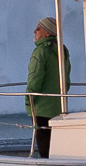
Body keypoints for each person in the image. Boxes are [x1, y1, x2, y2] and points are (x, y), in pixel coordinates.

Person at [26, 17, 63, 157]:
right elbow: (66, 79)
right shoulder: (61, 50)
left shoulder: (40, 51)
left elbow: (35, 79)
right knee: (56, 145)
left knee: (44, 147)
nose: (34, 31)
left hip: (41, 108)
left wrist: (28, 100)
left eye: (38, 29)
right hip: (58, 107)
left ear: (47, 32)